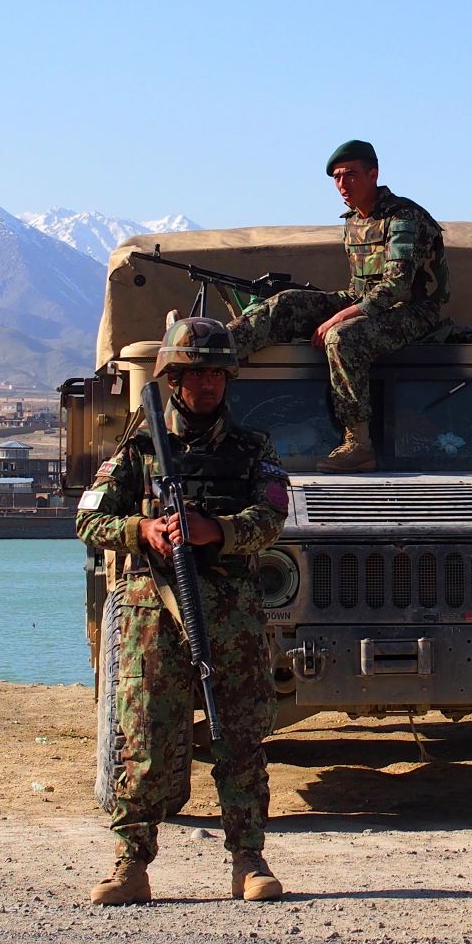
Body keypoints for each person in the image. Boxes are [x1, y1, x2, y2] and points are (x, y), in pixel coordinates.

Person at [75, 317, 291, 906]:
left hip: (231, 614)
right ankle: (131, 863)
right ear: (172, 379)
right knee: (145, 738)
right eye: (195, 372)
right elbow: (87, 520)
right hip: (154, 616)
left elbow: (272, 517)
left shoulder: (252, 450)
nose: (207, 384)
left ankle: (248, 859)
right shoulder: (139, 451)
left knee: (239, 738)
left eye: (216, 372)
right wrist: (143, 529)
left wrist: (213, 531)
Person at [226, 139, 448, 473]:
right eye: (337, 178)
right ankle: (214, 353)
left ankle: (358, 444)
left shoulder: (405, 218)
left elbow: (398, 285)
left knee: (342, 338)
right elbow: (360, 289)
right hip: (363, 300)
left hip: (414, 310)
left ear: (373, 174)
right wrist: (340, 309)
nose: (343, 184)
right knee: (287, 303)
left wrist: (340, 316)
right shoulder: (353, 221)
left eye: (351, 175)